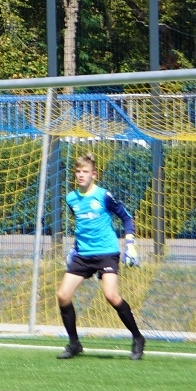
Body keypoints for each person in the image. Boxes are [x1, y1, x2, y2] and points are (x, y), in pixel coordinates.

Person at [56, 152, 145, 360]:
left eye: (85, 171)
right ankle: (74, 344)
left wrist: (130, 244)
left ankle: (138, 337)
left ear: (94, 174)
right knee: (62, 295)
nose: (81, 175)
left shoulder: (104, 196)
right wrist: (75, 248)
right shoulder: (71, 198)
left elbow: (126, 217)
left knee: (111, 296)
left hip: (106, 253)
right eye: (78, 171)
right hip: (83, 255)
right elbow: (82, 225)